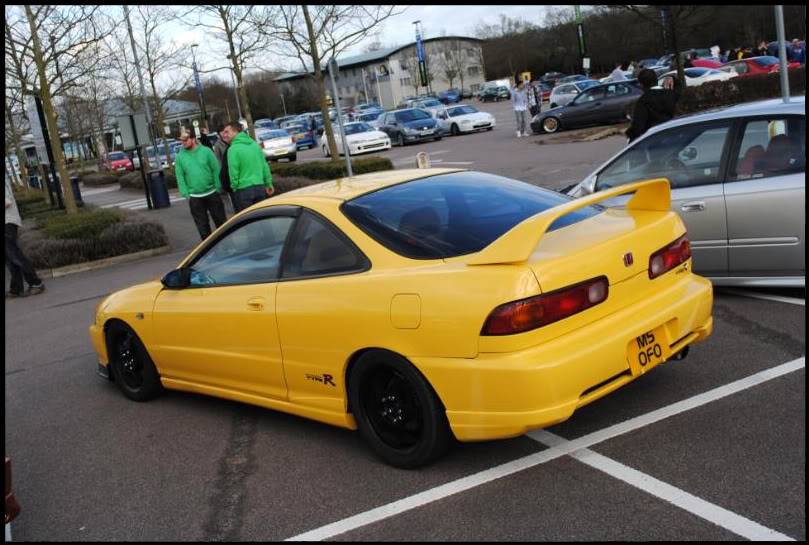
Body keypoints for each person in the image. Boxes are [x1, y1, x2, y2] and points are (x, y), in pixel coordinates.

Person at [174, 131, 227, 241]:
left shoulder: (206, 151)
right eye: (181, 140)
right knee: (202, 227)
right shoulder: (180, 157)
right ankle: (208, 251)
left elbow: (215, 169)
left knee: (221, 222)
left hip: (212, 193)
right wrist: (186, 193)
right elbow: (180, 176)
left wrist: (217, 186)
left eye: (185, 139)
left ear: (193, 139)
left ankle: (227, 246)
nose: (183, 142)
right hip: (195, 197)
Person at [5, 178, 45, 298]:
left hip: (7, 222)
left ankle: (36, 283)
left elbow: (7, 202)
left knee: (15, 255)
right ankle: (15, 288)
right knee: (10, 257)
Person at [223, 121, 274, 213]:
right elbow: (264, 166)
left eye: (227, 132)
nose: (224, 134)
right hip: (260, 187)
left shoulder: (233, 149)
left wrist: (234, 187)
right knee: (261, 217)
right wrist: (268, 183)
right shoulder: (255, 145)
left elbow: (234, 171)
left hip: (243, 190)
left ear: (235, 132)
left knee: (247, 221)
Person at [625, 68, 682, 143]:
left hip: (654, 139)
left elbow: (638, 126)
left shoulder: (643, 101)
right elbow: (679, 87)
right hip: (672, 133)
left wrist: (630, 134)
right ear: (657, 80)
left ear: (641, 84)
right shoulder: (670, 94)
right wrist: (672, 78)